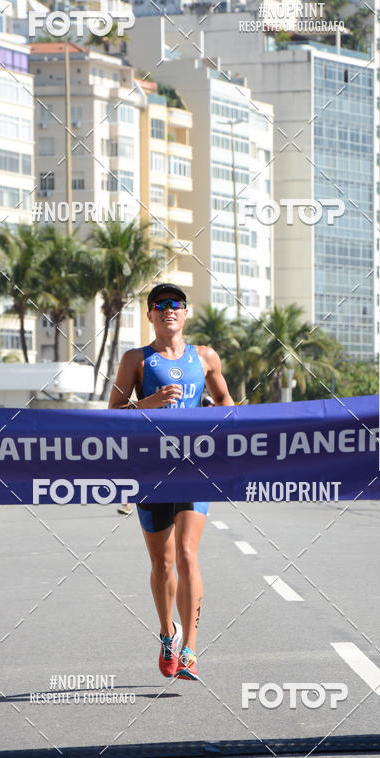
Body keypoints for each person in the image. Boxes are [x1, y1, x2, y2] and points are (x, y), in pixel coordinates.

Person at [109, 283, 234, 681]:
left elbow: (228, 405)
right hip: (150, 472)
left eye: (175, 305)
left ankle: (191, 648)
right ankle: (167, 633)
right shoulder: (136, 360)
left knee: (186, 553)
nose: (168, 311)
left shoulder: (206, 358)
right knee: (162, 563)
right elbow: (111, 414)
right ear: (149, 315)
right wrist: (147, 404)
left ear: (185, 313)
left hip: (194, 469)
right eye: (160, 306)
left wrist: (218, 415)